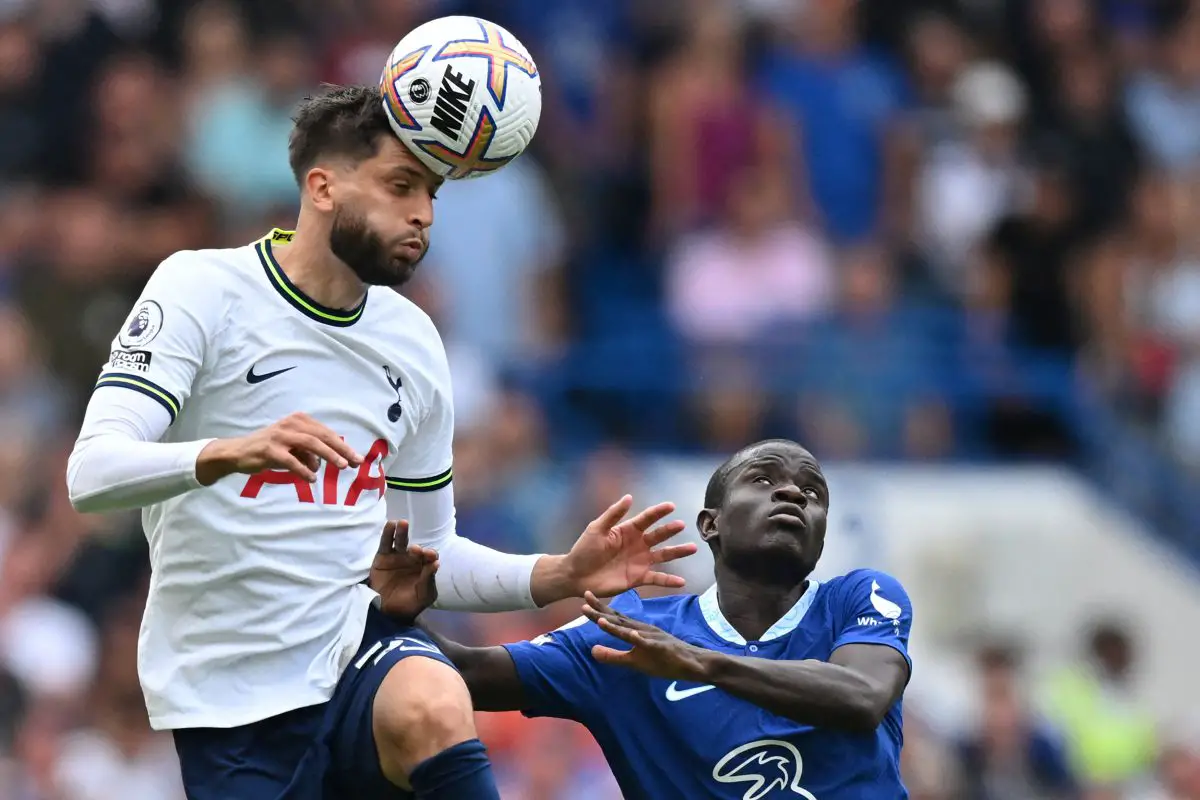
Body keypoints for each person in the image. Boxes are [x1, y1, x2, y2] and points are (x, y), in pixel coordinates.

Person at [64, 84, 695, 800]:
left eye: (432, 194)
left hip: (354, 650)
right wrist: (225, 451)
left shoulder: (412, 341)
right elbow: (92, 472)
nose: (424, 215)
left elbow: (433, 554)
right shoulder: (201, 289)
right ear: (322, 185)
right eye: (401, 186)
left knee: (432, 702)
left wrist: (556, 573)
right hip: (230, 699)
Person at [426, 438, 915, 799]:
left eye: (812, 492)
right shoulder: (628, 635)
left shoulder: (860, 598)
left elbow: (863, 696)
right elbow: (460, 673)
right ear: (711, 523)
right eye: (764, 480)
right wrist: (371, 593)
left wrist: (702, 664)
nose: (792, 493)